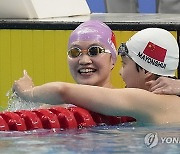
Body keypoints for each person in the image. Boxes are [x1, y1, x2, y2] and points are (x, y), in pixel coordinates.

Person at [13, 27, 180, 125]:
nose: (121, 72)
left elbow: (61, 90)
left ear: (147, 71)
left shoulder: (144, 100)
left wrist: (28, 92)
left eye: (124, 64)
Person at [67, 20, 117, 88]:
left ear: (112, 60)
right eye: (75, 52)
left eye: (94, 51)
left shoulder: (125, 98)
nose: (84, 61)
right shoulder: (56, 98)